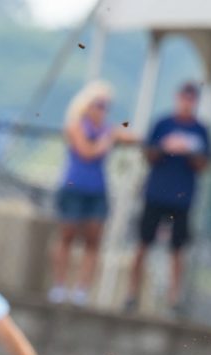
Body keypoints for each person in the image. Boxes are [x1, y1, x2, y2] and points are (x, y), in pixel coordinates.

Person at [126, 82, 211, 315]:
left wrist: (188, 152)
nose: (187, 103)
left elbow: (204, 164)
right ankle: (131, 294)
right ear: (177, 98)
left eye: (191, 99)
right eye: (184, 98)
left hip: (183, 199)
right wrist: (166, 148)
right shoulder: (162, 124)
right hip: (156, 194)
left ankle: (174, 300)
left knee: (177, 250)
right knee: (143, 245)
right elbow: (149, 155)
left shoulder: (201, 130)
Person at [50, 81, 133, 306]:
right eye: (98, 105)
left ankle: (81, 291)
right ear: (87, 105)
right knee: (67, 236)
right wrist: (109, 139)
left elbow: (129, 135)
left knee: (93, 241)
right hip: (74, 187)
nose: (102, 110)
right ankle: (58, 286)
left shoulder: (108, 130)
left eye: (106, 106)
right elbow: (87, 152)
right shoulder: (76, 125)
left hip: (97, 190)